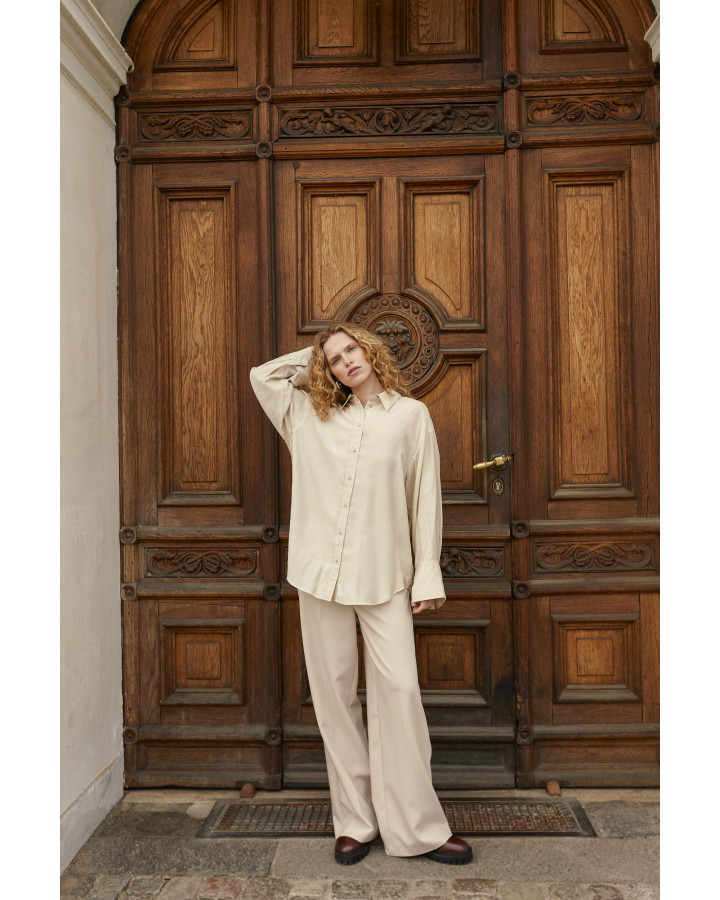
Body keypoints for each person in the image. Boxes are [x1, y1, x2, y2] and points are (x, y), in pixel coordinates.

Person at [249, 323, 472, 866]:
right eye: (335, 358)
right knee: (334, 697)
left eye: (352, 348)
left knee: (400, 692)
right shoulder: (307, 415)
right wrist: (315, 358)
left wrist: (427, 575)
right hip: (319, 574)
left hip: (383, 573)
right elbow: (263, 377)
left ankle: (417, 828)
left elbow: (424, 498)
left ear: (370, 350)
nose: (346, 360)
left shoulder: (410, 417)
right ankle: (355, 822)